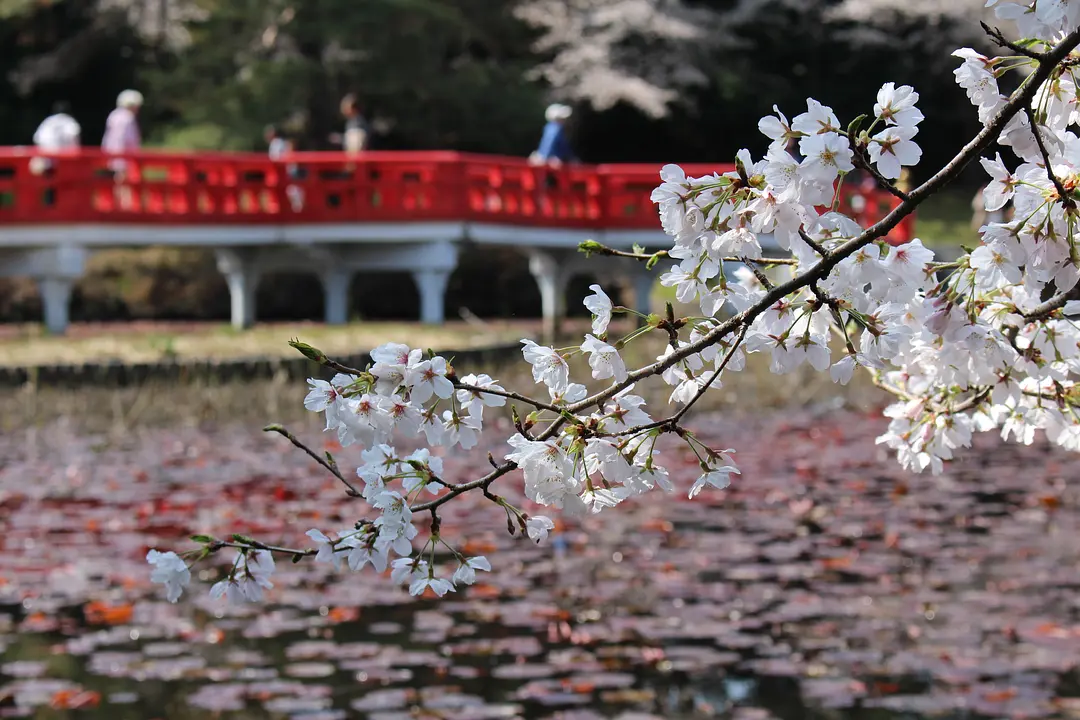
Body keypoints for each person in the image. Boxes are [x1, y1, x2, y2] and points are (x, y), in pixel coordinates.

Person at [101, 89, 144, 210]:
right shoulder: (127, 117)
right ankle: (125, 206)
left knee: (118, 181)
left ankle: (116, 204)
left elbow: (108, 137)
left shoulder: (114, 115)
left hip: (112, 153)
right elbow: (128, 139)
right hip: (124, 154)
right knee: (123, 181)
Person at [530, 103, 576, 167]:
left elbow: (563, 148)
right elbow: (548, 144)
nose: (564, 120)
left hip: (550, 159)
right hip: (550, 161)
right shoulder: (554, 128)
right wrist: (545, 158)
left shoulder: (552, 128)